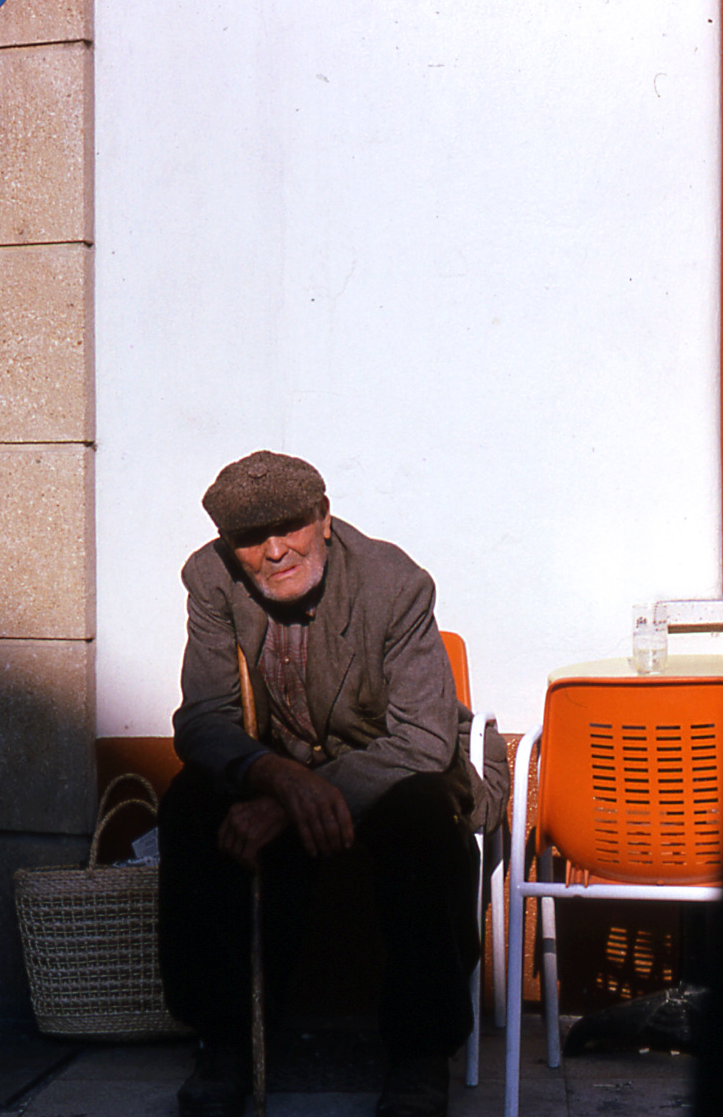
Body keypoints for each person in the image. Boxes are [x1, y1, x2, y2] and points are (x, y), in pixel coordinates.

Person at [158, 450, 505, 1117]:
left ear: (322, 517)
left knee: (423, 820)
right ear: (229, 549)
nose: (275, 550)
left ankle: (419, 1053)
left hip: (393, 765)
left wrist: (299, 800)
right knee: (190, 804)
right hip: (281, 767)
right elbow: (203, 718)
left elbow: (423, 740)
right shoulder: (209, 579)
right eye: (251, 538)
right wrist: (276, 778)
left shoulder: (392, 581)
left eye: (289, 525)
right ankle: (226, 1040)